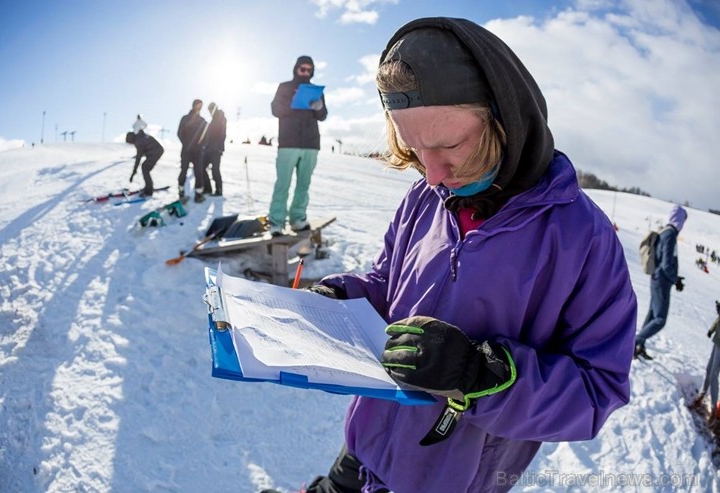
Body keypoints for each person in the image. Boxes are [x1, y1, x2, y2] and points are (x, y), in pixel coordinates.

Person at [262, 17, 637, 493]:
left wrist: (481, 373)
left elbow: (597, 389)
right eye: (414, 150)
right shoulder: (425, 198)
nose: (433, 174)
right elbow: (388, 281)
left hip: (450, 475)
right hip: (369, 441)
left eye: (450, 146)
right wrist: (345, 297)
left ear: (509, 119)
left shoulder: (583, 239)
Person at [268, 55, 328, 236]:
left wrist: (318, 107)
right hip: (288, 142)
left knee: (304, 184)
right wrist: (294, 102)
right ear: (296, 69)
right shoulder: (284, 87)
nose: (306, 73)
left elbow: (323, 115)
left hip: (310, 144)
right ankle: (276, 222)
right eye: (303, 69)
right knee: (283, 183)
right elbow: (275, 110)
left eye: (309, 70)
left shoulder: (316, 91)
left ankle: (298, 218)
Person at [634, 204, 688, 360]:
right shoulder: (670, 235)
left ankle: (639, 346)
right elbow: (666, 264)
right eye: (683, 220)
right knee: (660, 320)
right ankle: (635, 341)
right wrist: (675, 279)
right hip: (662, 281)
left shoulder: (665, 232)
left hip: (658, 280)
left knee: (652, 314)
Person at [691, 301, 720, 426]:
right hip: (718, 340)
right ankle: (701, 396)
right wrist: (712, 329)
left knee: (714, 374)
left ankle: (714, 409)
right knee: (709, 370)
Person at [177, 99, 207, 203]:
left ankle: (198, 194)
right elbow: (179, 133)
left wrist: (202, 146)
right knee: (183, 170)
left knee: (198, 172)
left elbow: (205, 137)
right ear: (193, 105)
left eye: (200, 106)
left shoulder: (202, 121)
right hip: (186, 150)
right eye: (197, 105)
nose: (199, 108)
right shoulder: (185, 118)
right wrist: (186, 144)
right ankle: (181, 191)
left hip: (198, 152)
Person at [125, 131, 163, 197]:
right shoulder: (139, 137)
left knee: (145, 168)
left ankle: (149, 191)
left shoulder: (139, 141)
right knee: (145, 168)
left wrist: (133, 173)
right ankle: (148, 187)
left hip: (156, 151)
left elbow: (138, 158)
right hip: (156, 151)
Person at [202, 102, 227, 196]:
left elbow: (222, 134)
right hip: (209, 149)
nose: (209, 112)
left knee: (215, 170)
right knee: (202, 167)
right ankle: (207, 189)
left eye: (210, 110)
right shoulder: (213, 120)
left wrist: (219, 147)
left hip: (216, 150)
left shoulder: (221, 118)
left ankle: (219, 190)